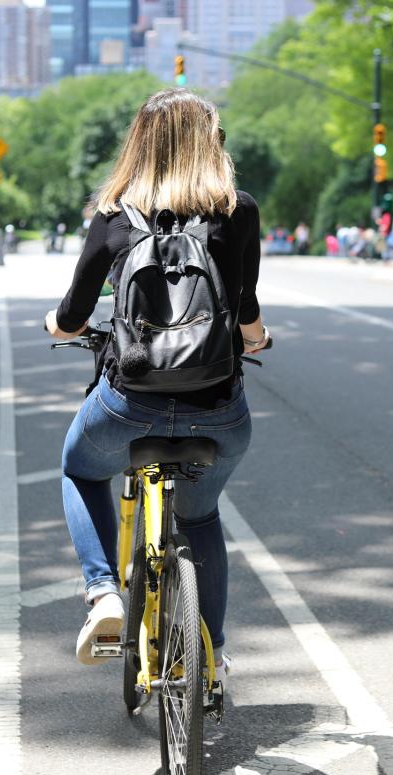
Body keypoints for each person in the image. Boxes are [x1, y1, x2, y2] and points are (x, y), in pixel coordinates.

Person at [44, 89, 269, 684]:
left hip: (129, 404)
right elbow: (246, 309)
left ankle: (104, 595)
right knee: (199, 519)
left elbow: (73, 313)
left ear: (140, 145)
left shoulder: (117, 214)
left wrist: (57, 327)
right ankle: (212, 659)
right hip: (217, 410)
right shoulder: (237, 209)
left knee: (80, 468)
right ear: (209, 143)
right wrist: (258, 337)